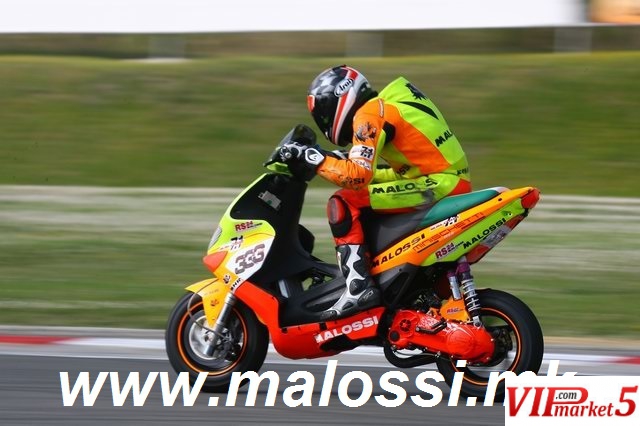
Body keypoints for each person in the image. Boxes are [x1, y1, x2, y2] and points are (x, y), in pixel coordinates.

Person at [280, 65, 471, 320]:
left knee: (342, 202)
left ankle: (358, 287)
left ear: (341, 98)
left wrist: (312, 157)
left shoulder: (368, 113)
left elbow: (356, 176)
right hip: (442, 179)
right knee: (368, 192)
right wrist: (334, 158)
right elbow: (374, 173)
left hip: (436, 185)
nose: (325, 121)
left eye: (325, 113)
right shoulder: (387, 105)